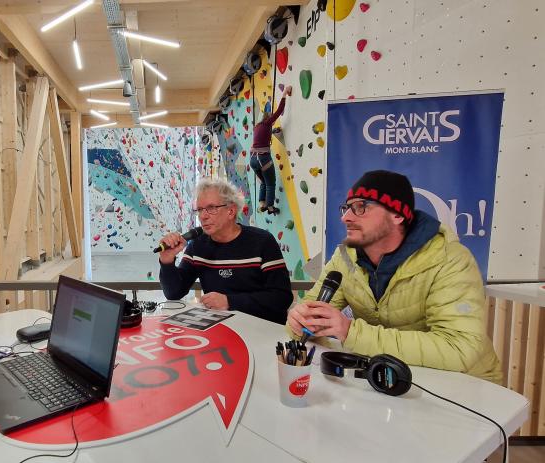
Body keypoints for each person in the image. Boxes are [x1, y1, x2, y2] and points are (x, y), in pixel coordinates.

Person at [286, 170, 501, 383]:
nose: (346, 217)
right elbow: (311, 311)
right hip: (391, 379)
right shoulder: (345, 256)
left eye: (361, 207)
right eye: (346, 208)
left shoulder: (450, 258)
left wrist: (352, 332)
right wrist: (298, 322)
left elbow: (460, 348)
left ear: (398, 214)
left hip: (466, 388)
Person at [158, 178, 293, 324]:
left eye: (211, 208)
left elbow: (282, 297)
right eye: (200, 209)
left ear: (231, 211)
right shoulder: (198, 245)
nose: (203, 216)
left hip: (263, 330)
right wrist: (167, 261)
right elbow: (174, 293)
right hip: (220, 330)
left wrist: (230, 301)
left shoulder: (262, 241)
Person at [249, 85, 292, 215]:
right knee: (270, 183)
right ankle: (271, 207)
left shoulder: (257, 126)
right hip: (263, 158)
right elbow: (279, 110)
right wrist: (284, 93)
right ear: (269, 118)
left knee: (263, 181)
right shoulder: (268, 123)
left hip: (253, 160)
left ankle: (262, 204)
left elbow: (262, 137)